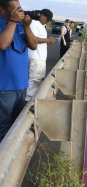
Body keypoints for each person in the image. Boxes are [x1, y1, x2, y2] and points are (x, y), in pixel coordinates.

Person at [0, 0, 37, 142]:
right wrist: (13, 22)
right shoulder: (8, 23)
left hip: (21, 85)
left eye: (20, 8)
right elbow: (3, 44)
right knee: (3, 126)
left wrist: (27, 27)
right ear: (2, 10)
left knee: (17, 124)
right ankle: (4, 160)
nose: (20, 12)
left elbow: (33, 46)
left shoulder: (21, 25)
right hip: (4, 88)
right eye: (15, 9)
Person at [26, 9, 56, 101]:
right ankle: (28, 103)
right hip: (36, 57)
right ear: (41, 15)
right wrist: (48, 40)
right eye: (47, 19)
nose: (48, 21)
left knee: (37, 80)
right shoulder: (34, 23)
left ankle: (30, 100)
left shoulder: (41, 25)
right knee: (34, 80)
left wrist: (48, 40)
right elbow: (32, 39)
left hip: (39, 58)